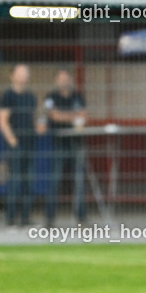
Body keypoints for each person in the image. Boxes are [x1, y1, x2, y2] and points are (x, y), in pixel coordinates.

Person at [0, 64, 43, 227]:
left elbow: (34, 119)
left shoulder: (31, 96)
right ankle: (11, 219)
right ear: (13, 75)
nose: (25, 75)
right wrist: (13, 143)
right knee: (14, 181)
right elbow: (3, 122)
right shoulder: (7, 96)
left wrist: (39, 128)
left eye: (27, 73)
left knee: (28, 182)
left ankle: (25, 218)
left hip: (30, 144)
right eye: (22, 73)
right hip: (15, 145)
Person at [44, 69, 87, 226]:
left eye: (66, 78)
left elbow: (83, 117)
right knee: (55, 181)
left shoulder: (78, 96)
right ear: (57, 81)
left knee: (79, 181)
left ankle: (81, 218)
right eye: (60, 78)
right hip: (58, 143)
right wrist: (73, 116)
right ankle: (49, 218)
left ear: (70, 79)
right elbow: (53, 116)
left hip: (76, 143)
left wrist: (64, 116)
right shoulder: (51, 97)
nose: (64, 81)